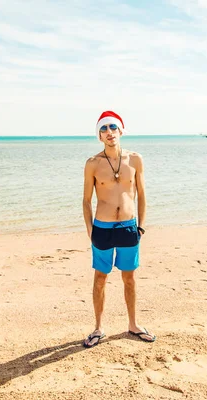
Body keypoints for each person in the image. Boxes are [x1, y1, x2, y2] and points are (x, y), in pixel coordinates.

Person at [82, 110, 156, 348]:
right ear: (99, 135)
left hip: (128, 227)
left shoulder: (135, 159)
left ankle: (133, 325)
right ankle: (98, 328)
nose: (109, 132)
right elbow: (86, 200)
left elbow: (142, 195)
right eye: (103, 129)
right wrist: (90, 231)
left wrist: (141, 227)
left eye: (113, 127)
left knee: (129, 279)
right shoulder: (92, 164)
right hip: (102, 228)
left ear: (121, 130)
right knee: (100, 279)